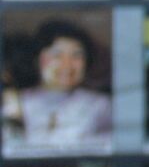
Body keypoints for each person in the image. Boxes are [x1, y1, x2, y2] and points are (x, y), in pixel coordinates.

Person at [2, 20, 112, 150]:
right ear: (37, 60)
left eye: (77, 55)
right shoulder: (16, 103)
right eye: (57, 55)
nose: (67, 64)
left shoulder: (100, 105)